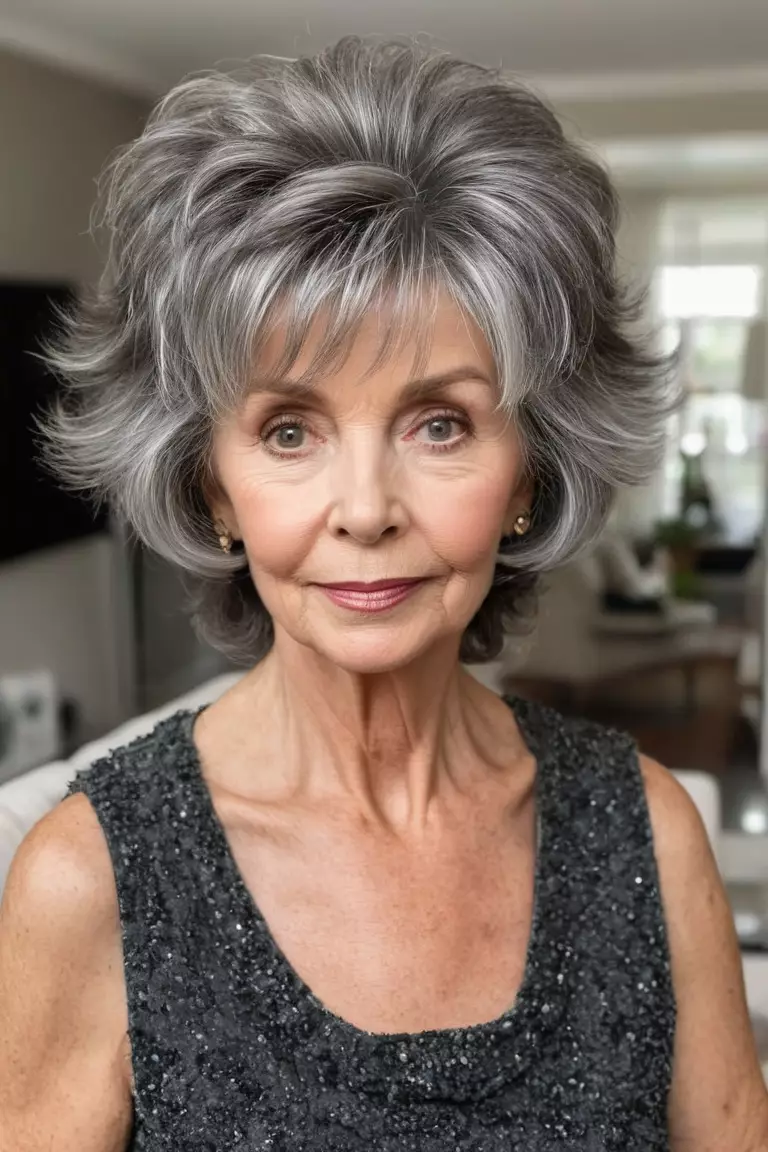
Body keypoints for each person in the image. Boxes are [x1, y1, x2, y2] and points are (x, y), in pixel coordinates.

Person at [1, 34, 766, 1152]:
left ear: (528, 472)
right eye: (290, 429)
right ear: (212, 483)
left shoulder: (649, 835)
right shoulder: (92, 877)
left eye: (440, 423)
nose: (365, 508)